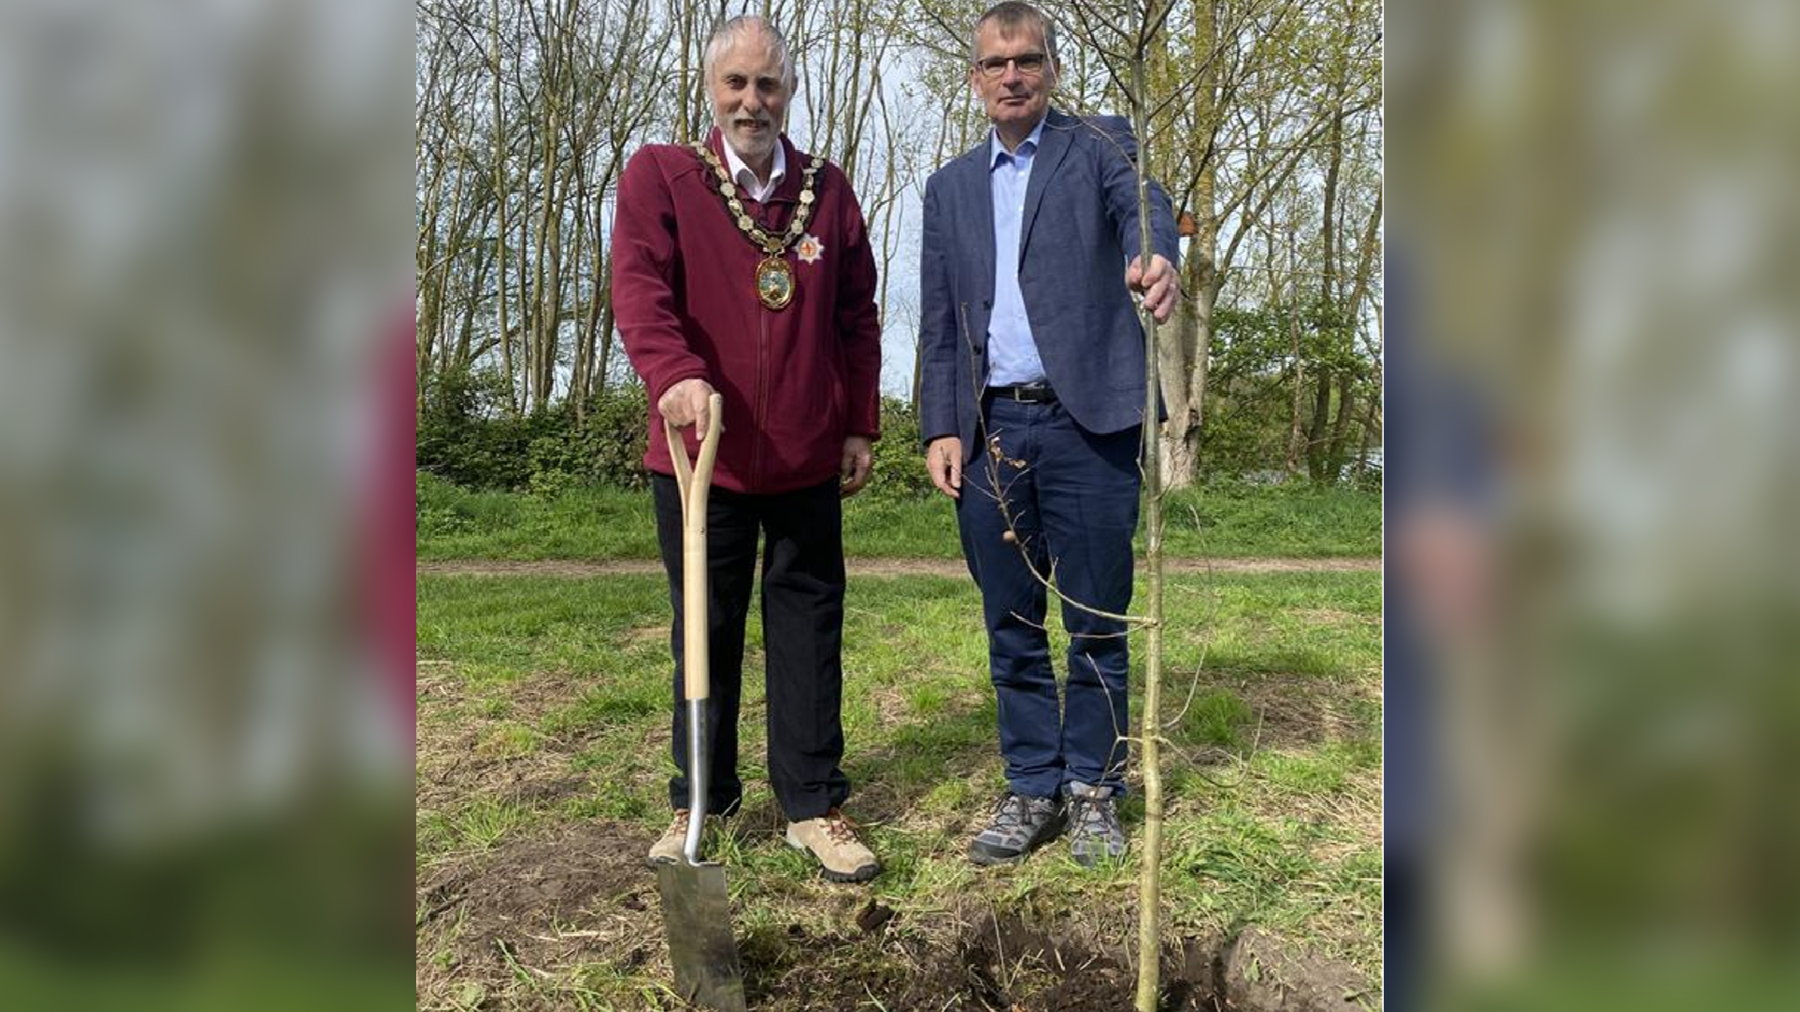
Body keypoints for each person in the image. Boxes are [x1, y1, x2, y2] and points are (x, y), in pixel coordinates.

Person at [611, 15, 883, 883]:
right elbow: (640, 288)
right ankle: (701, 798)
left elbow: (856, 318)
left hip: (804, 453)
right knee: (707, 624)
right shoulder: (663, 175)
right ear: (710, 89)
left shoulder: (826, 192)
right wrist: (674, 376)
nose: (751, 101)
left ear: (789, 91)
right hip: (702, 454)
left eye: (767, 84)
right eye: (736, 83)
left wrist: (858, 422)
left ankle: (811, 803)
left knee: (807, 623)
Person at [916, 1, 1179, 867]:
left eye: (1027, 60)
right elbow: (940, 325)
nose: (1012, 76)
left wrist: (1157, 255)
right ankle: (1032, 786)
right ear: (975, 77)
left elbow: (1146, 204)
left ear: (1052, 69)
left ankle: (1095, 787)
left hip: (1090, 423)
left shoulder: (1097, 146)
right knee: (1011, 622)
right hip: (993, 431)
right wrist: (940, 427)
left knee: (1096, 617)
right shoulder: (949, 188)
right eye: (995, 64)